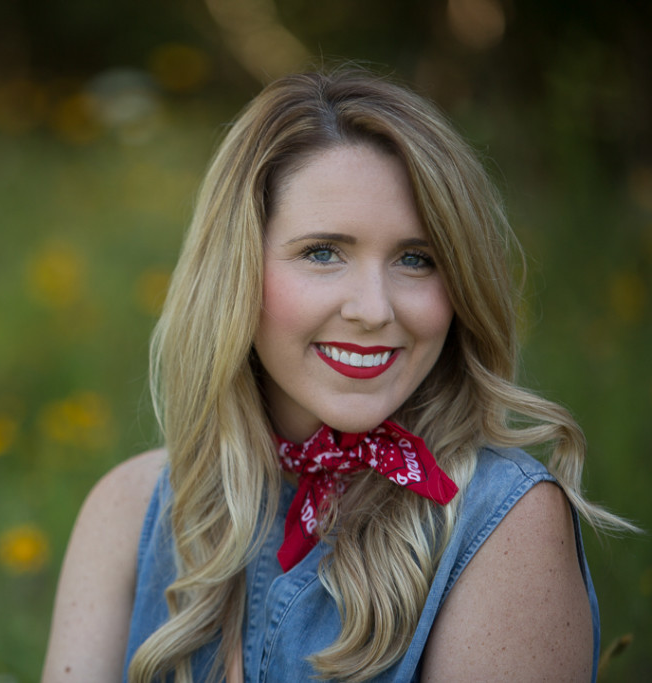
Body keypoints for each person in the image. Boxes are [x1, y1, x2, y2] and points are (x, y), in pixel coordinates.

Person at [41, 68, 632, 682]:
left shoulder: (503, 522)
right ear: (236, 271)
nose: (374, 309)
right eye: (324, 253)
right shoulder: (131, 510)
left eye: (416, 259)